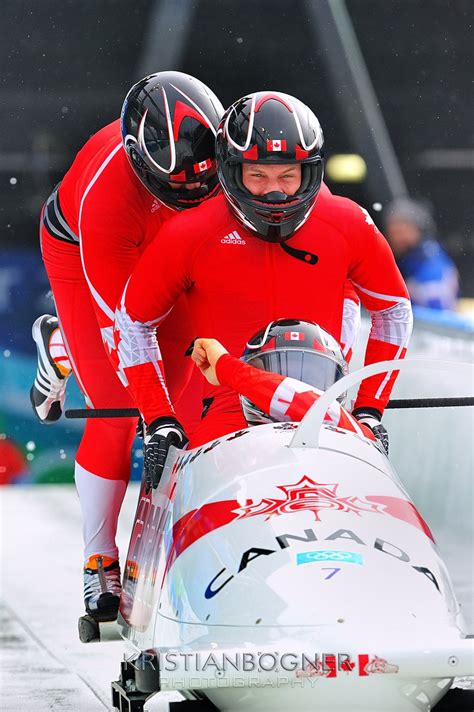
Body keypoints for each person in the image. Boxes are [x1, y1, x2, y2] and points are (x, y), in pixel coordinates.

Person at [114, 90, 413, 488]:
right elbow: (133, 322)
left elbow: (393, 309)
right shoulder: (188, 234)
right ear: (231, 171)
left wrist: (369, 410)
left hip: (322, 415)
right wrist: (160, 420)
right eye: (258, 176)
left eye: (288, 176)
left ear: (310, 173)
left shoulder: (348, 223)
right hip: (226, 418)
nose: (275, 192)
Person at [29, 71, 224, 623]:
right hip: (87, 248)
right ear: (143, 165)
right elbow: (132, 334)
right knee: (118, 407)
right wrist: (154, 413)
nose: (190, 193)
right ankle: (99, 559)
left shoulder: (224, 153)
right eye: (174, 188)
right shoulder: (109, 201)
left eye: (201, 186)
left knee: (193, 395)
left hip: (172, 245)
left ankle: (182, 538)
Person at [190, 320, 383, 450]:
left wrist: (226, 366)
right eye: (275, 374)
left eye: (311, 377)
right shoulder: (218, 445)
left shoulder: (357, 434)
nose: (299, 385)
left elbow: (309, 405)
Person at [384, 197, 459, 310]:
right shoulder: (401, 257)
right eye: (392, 232)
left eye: (401, 232)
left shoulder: (431, 261)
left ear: (417, 230)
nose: (396, 238)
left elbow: (437, 312)